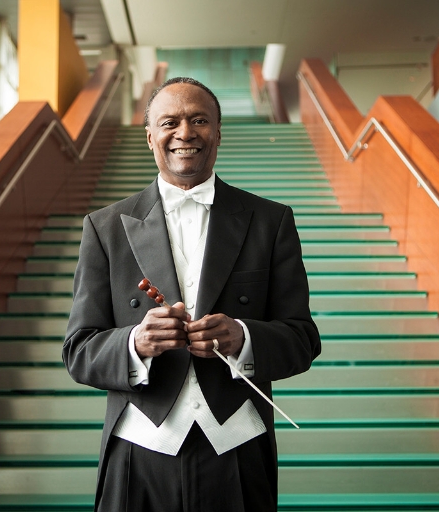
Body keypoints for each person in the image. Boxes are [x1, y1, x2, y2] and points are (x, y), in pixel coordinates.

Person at [63, 77, 320, 512]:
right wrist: (135, 342)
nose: (185, 133)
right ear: (150, 137)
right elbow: (79, 350)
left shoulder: (271, 221)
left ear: (219, 132)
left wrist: (243, 337)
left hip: (237, 445)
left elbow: (302, 339)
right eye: (170, 122)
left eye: (199, 120)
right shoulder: (104, 228)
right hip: (138, 449)